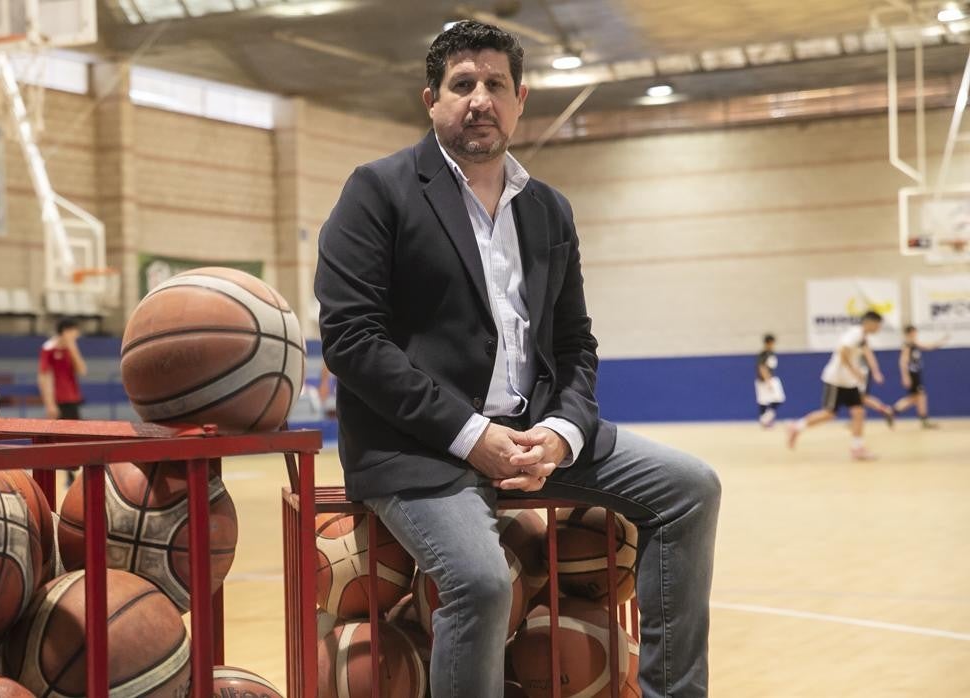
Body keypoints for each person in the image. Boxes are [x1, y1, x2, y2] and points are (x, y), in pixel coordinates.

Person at [315, 21, 720, 698]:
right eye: (462, 84)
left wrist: (562, 433)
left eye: (495, 84)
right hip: (419, 446)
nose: (480, 98)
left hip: (534, 435)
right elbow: (352, 340)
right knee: (479, 582)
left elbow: (575, 345)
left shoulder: (548, 210)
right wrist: (473, 437)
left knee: (689, 488)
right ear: (431, 100)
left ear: (521, 98)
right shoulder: (377, 191)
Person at [786, 311, 885, 460]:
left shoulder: (863, 337)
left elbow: (867, 352)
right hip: (837, 380)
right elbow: (842, 351)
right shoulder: (854, 334)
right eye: (878, 325)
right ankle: (796, 427)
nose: (879, 328)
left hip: (849, 382)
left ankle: (857, 448)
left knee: (858, 412)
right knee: (829, 414)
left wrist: (875, 371)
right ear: (870, 323)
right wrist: (854, 371)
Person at [38, 318, 87, 481]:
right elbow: (44, 377)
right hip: (58, 401)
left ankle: (75, 472)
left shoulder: (71, 348)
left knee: (76, 438)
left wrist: (72, 347)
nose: (77, 334)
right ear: (65, 331)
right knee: (61, 439)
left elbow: (82, 370)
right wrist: (49, 404)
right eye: (74, 331)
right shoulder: (48, 348)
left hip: (72, 399)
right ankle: (68, 475)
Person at [892, 325, 949, 428]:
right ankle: (923, 421)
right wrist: (905, 376)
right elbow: (903, 361)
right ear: (909, 334)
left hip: (915, 373)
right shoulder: (908, 345)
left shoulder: (914, 344)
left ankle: (893, 411)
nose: (915, 335)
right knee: (920, 396)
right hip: (912, 374)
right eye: (914, 333)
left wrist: (941, 341)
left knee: (916, 397)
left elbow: (928, 346)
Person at [755, 334, 785, 428]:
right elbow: (762, 367)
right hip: (765, 380)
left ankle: (765, 419)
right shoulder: (764, 354)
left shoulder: (771, 353)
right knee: (763, 401)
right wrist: (768, 381)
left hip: (771, 378)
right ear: (769, 342)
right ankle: (764, 421)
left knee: (779, 399)